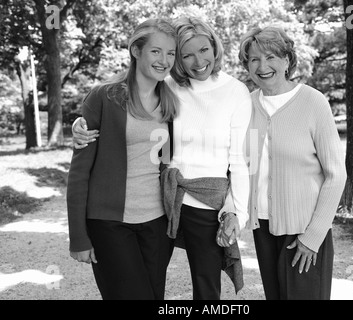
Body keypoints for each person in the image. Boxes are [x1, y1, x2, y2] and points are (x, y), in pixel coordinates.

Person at [71, 16, 252, 300]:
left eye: (203, 50)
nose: (196, 61)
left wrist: (236, 211)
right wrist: (80, 125)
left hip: (183, 210)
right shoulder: (143, 89)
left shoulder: (209, 93)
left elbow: (239, 159)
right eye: (183, 54)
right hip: (139, 210)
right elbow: (81, 171)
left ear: (215, 48)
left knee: (186, 291)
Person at [66, 18, 179, 300]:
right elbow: (79, 173)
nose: (164, 60)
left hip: (156, 224)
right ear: (136, 50)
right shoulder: (104, 97)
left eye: (171, 53)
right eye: (156, 51)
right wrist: (78, 237)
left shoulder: (172, 101)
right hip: (110, 224)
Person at [236, 26, 347, 300]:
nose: (263, 66)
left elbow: (336, 175)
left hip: (304, 230)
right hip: (263, 229)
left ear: (287, 60)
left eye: (271, 57)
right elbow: (242, 165)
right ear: (246, 65)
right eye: (254, 59)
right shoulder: (245, 106)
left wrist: (313, 236)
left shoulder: (313, 102)